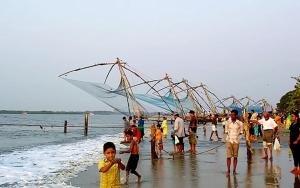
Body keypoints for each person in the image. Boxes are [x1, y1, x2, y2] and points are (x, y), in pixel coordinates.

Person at [225, 110, 244, 176]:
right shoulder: (227, 122)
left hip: (236, 141)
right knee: (228, 157)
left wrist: (238, 139)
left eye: (233, 115)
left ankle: (234, 170)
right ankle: (228, 170)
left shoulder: (240, 123)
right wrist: (228, 138)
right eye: (231, 114)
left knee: (235, 157)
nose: (232, 116)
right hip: (229, 141)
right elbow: (226, 131)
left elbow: (241, 132)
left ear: (236, 115)